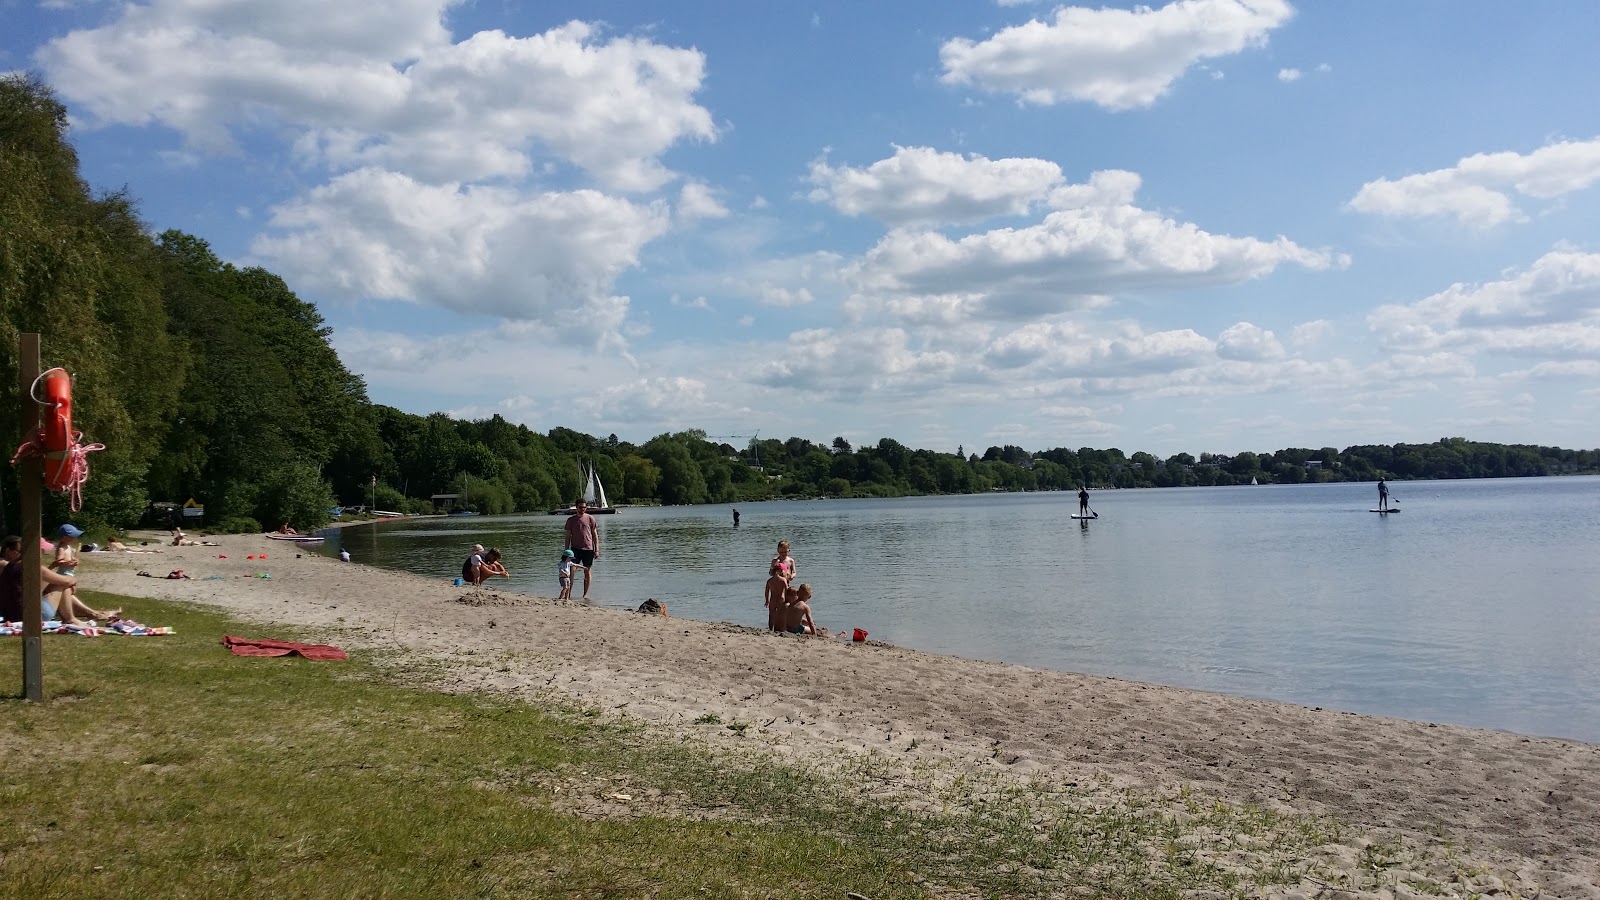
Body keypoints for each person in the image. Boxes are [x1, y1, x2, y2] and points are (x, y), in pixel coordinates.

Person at [0, 535, 117, 624]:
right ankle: (71, 619)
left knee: (57, 583)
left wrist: (54, 570)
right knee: (62, 585)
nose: (43, 553)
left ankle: (92, 613)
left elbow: (41, 581)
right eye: (42, 551)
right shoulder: (29, 566)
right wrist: (72, 581)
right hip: (32, 616)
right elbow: (66, 581)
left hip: (11, 614)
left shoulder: (11, 566)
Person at [564, 498, 600, 600]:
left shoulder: (590, 518)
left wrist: (596, 549)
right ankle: (568, 593)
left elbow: (595, 535)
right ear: (576, 507)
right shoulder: (571, 520)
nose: (582, 509)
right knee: (571, 570)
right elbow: (567, 537)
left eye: (584, 507)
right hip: (575, 549)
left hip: (588, 549)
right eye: (580, 507)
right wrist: (566, 551)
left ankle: (585, 595)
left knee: (587, 571)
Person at [763, 562, 789, 631]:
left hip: (772, 600)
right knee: (781, 615)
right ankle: (780, 628)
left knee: (771, 615)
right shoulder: (783, 580)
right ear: (780, 571)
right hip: (781, 599)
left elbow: (766, 592)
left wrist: (766, 601)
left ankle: (771, 628)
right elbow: (787, 590)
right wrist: (788, 600)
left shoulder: (769, 581)